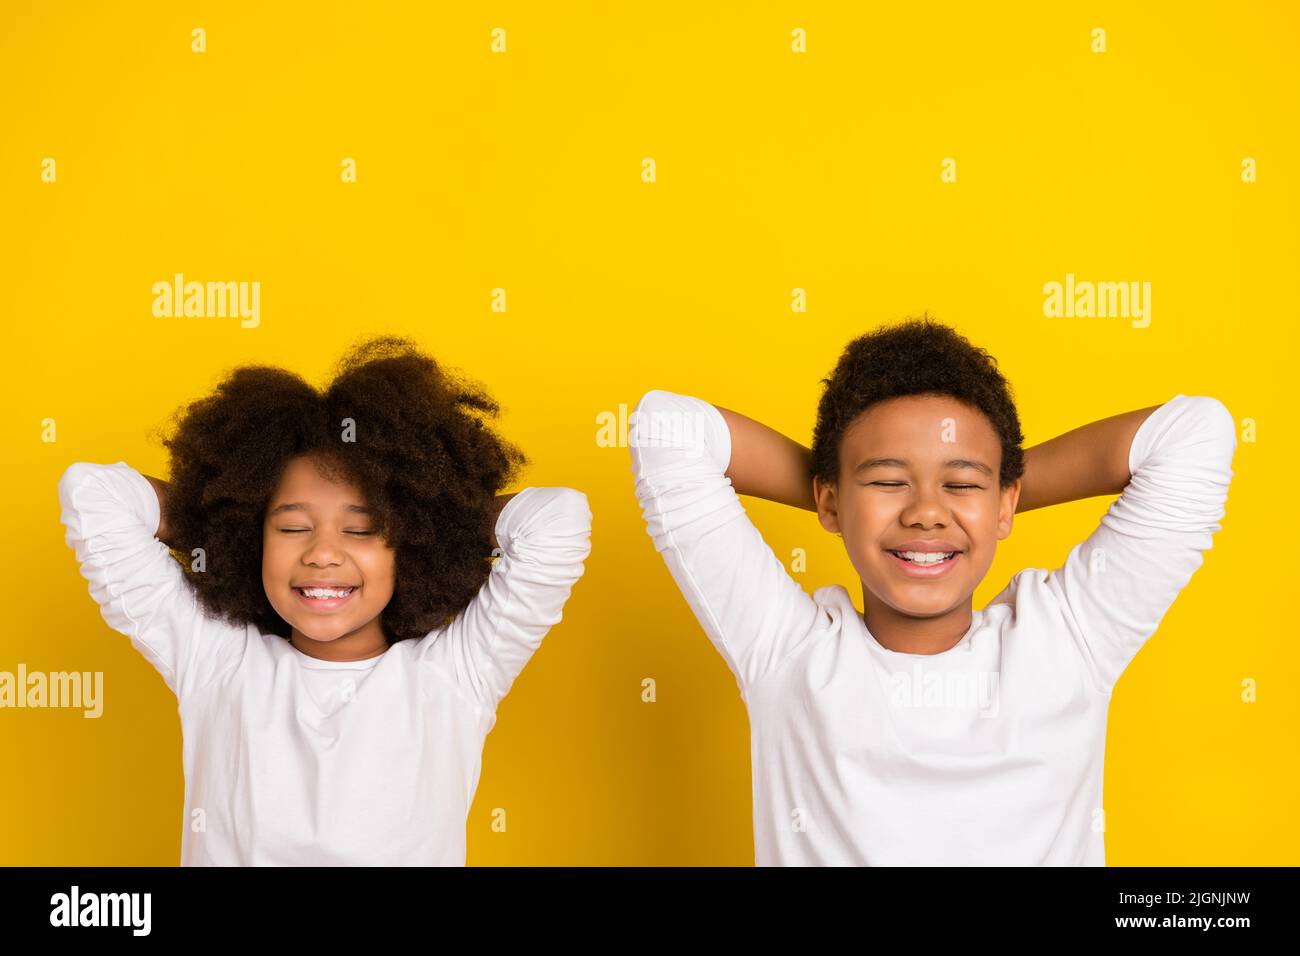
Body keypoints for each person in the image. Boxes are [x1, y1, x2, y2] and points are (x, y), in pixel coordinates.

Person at [627, 314, 1237, 865]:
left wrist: (986, 491)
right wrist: (851, 495)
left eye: (961, 485)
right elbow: (669, 429)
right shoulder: (788, 654)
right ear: (829, 497)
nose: (925, 514)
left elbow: (1193, 435)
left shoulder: (1068, 641)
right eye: (890, 481)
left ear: (1008, 503)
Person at [57, 336, 592, 865]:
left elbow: (556, 519)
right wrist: (206, 519)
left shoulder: (456, 675)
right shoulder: (215, 661)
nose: (323, 554)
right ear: (250, 537)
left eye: (362, 530)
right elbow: (93, 494)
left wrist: (439, 522)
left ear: (410, 542)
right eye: (292, 526)